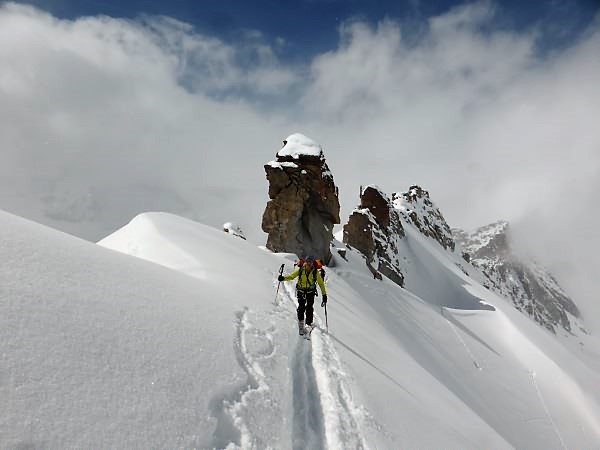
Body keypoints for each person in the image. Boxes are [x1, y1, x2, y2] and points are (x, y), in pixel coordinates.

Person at [278, 255, 328, 335]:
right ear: (305, 262)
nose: (308, 263)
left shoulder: (315, 272)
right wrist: (283, 278)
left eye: (310, 262)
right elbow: (292, 276)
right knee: (301, 307)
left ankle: (308, 324)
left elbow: (321, 284)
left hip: (310, 292)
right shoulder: (301, 269)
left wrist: (324, 295)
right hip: (301, 291)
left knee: (309, 308)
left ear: (312, 263)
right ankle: (301, 324)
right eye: (307, 262)